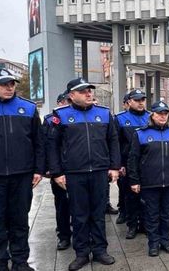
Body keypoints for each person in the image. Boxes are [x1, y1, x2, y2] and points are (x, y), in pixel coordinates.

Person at [48, 78, 120, 271]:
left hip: (99, 172)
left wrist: (114, 166)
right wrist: (57, 173)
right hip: (74, 173)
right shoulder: (61, 115)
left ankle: (99, 250)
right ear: (71, 95)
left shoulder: (104, 114)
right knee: (79, 216)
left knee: (98, 214)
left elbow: (113, 141)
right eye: (83, 91)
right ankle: (81, 253)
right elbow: (52, 146)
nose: (89, 94)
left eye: (90, 90)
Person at [0, 68, 44, 271]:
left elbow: (38, 142)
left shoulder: (28, 108)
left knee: (19, 220)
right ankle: (0, 261)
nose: (9, 88)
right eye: (4, 84)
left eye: (12, 84)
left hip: (22, 175)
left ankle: (20, 261)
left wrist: (38, 170)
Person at [128, 101, 169, 256]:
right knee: (152, 215)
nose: (163, 116)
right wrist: (134, 180)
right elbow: (133, 159)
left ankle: (165, 241)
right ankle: (153, 243)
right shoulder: (141, 133)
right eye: (159, 113)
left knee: (167, 215)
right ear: (152, 115)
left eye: (165, 113)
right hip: (149, 183)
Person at [114, 89, 150, 237]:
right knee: (130, 196)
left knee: (146, 196)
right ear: (129, 102)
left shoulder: (150, 117)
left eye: (142, 99)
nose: (140, 102)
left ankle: (144, 224)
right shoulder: (120, 118)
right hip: (128, 165)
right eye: (137, 100)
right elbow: (115, 143)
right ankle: (132, 225)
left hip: (147, 164)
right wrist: (118, 164)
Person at [43, 92, 72, 251]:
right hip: (60, 170)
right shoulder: (50, 120)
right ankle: (64, 235)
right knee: (62, 205)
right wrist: (51, 170)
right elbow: (47, 146)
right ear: (59, 102)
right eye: (66, 101)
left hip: (77, 169)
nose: (68, 104)